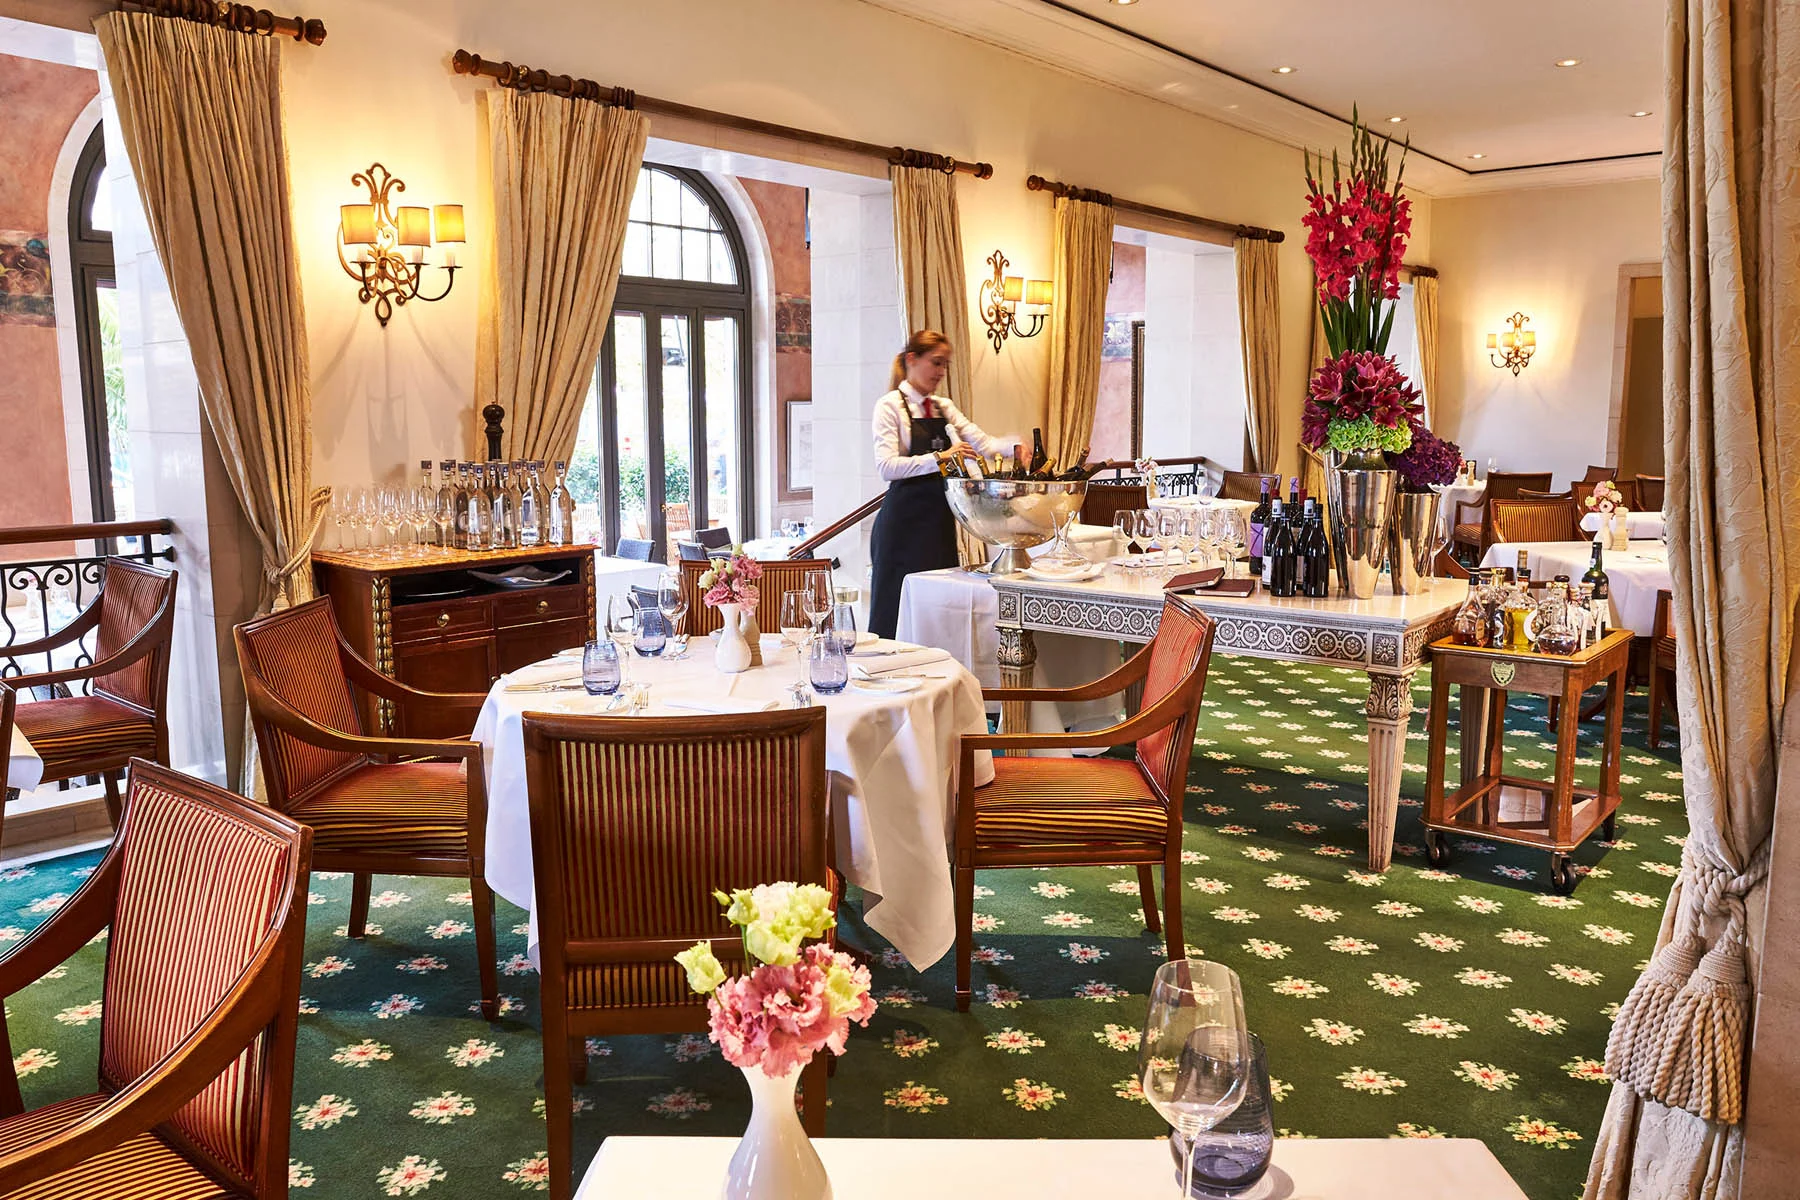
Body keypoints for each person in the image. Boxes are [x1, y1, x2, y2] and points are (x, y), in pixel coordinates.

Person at [867, 330, 1013, 639]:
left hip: (938, 524)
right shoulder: (889, 406)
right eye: (936, 362)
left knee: (939, 610)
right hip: (901, 526)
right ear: (912, 359)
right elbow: (887, 467)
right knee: (893, 611)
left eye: (945, 364)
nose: (941, 371)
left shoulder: (943, 407)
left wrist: (1016, 446)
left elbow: (984, 444)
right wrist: (940, 457)